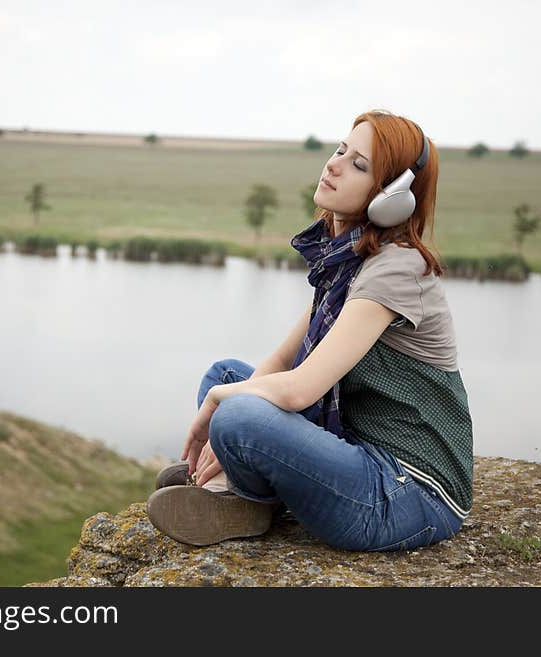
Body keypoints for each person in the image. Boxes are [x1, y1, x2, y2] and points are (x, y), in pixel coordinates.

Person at [146, 109, 473, 552]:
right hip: (356, 451)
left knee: (237, 408)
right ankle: (243, 495)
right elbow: (282, 360)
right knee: (226, 374)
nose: (334, 164)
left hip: (406, 490)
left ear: (394, 196)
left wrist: (222, 407)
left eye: (359, 164)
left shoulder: (396, 268)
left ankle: (236, 493)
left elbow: (300, 389)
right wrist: (227, 396)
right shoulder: (348, 261)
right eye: (341, 149)